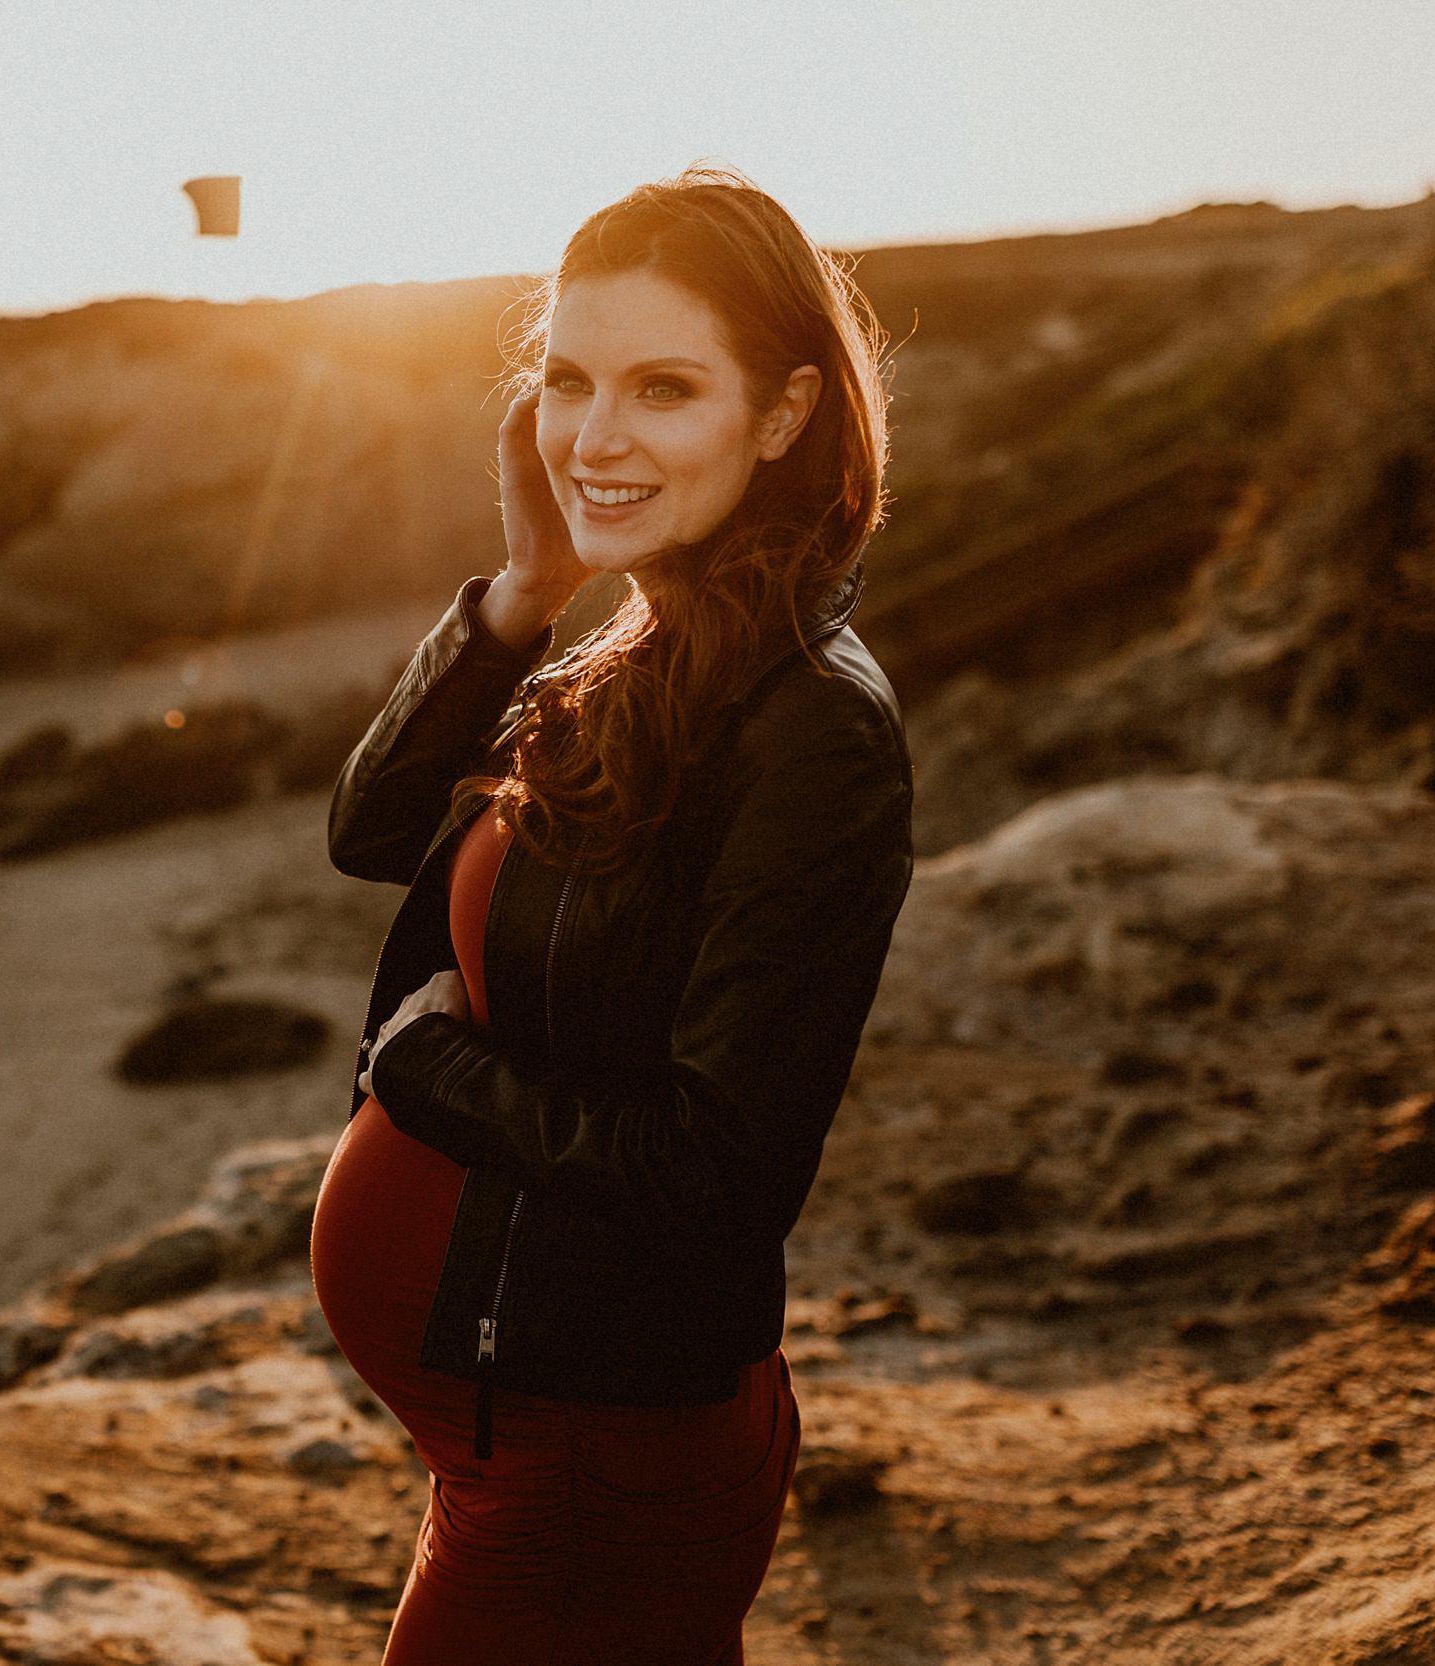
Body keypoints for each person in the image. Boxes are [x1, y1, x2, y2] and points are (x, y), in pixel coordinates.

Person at [308, 165, 915, 1664]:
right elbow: (371, 832)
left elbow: (718, 1172)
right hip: (533, 1444)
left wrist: (423, 1070)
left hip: (593, 1463)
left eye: (664, 387)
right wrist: (525, 591)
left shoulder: (810, 730)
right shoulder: (646, 642)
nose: (594, 437)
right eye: (569, 381)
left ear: (783, 414)